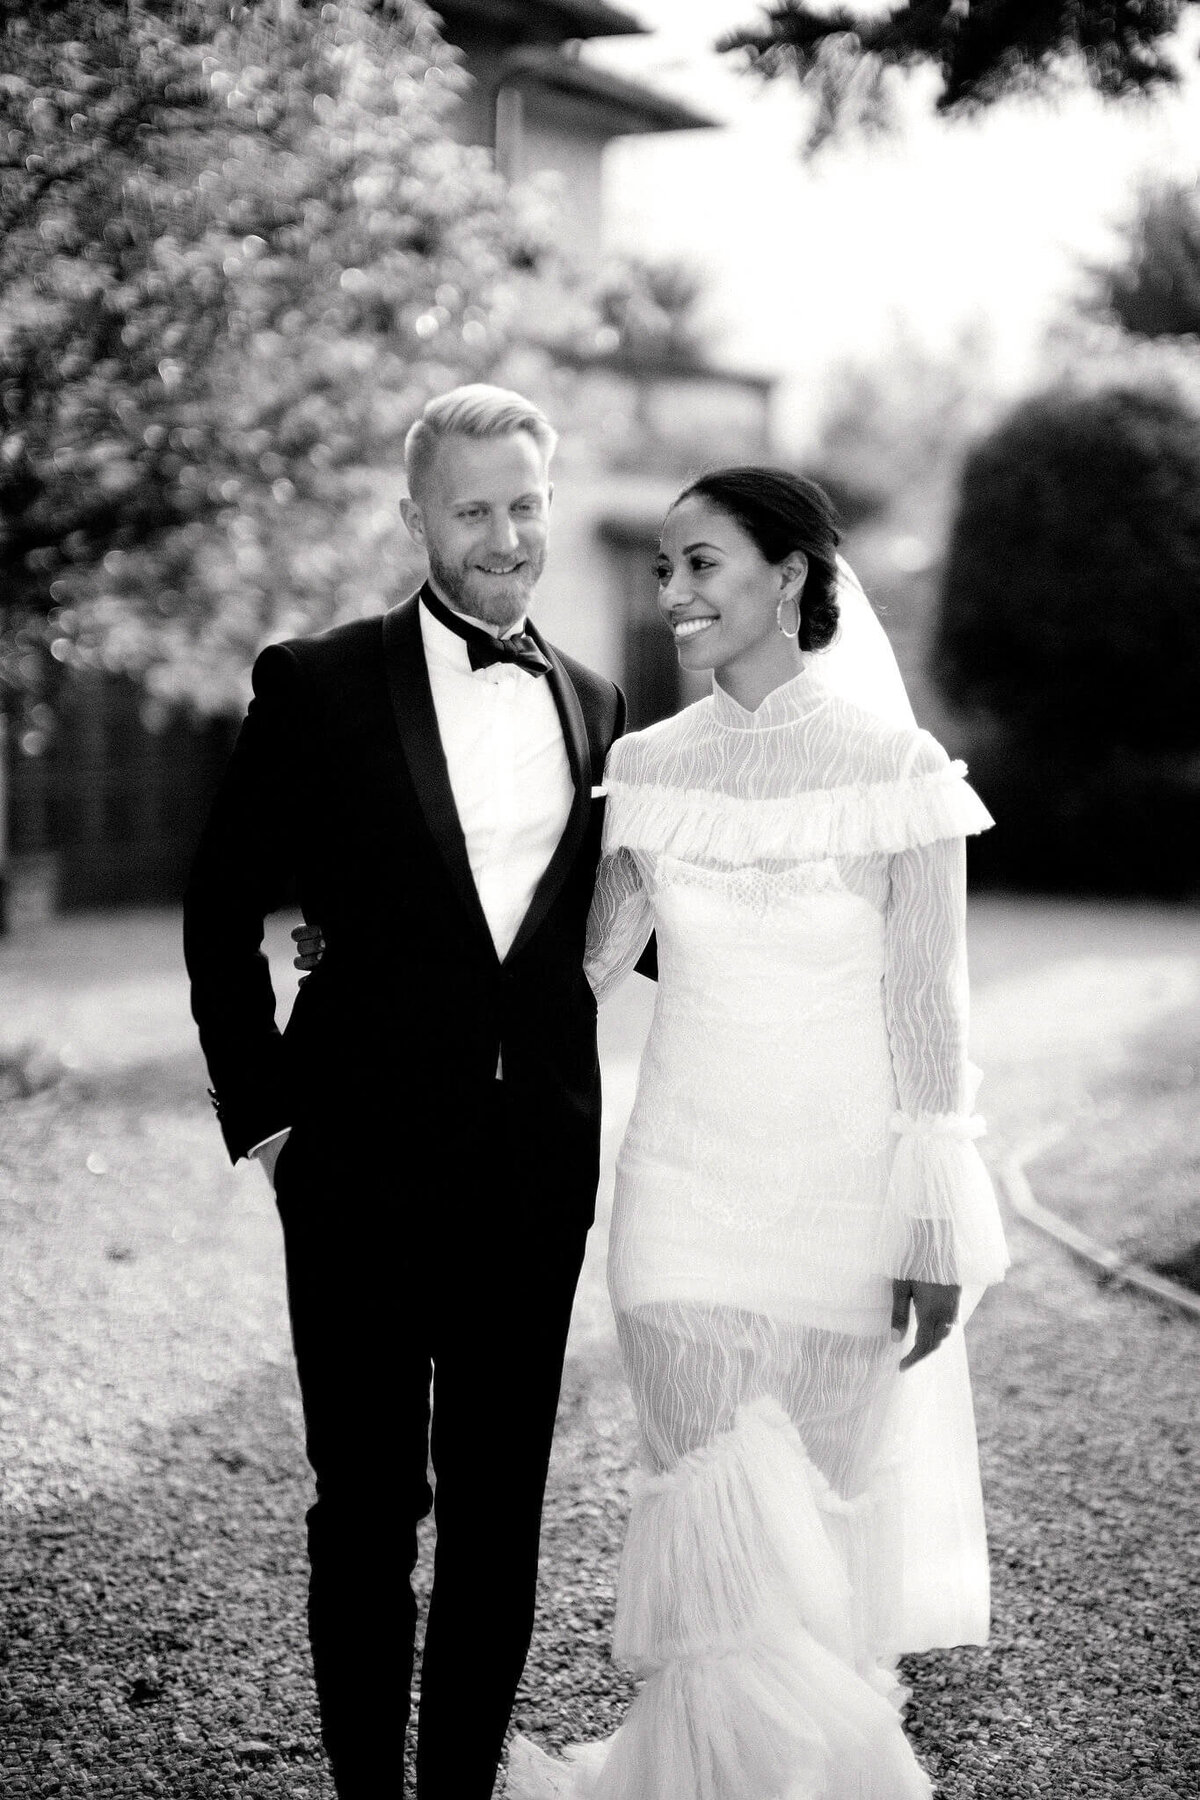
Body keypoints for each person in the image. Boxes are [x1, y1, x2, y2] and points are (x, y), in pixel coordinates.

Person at [506, 468, 1011, 1799]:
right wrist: (388, 968)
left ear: (788, 576)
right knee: (705, 1518)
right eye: (664, 568)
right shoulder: (648, 767)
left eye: (701, 565)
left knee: (816, 1541)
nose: (672, 594)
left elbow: (922, 1013)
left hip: (844, 1198)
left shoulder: (899, 773)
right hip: (680, 1187)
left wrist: (934, 1215)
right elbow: (579, 973)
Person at [182, 385, 626, 1800]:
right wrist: (268, 1117)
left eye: (524, 504)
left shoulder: (598, 704)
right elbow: (219, 908)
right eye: (473, 509)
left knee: (503, 1521)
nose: (505, 535)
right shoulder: (316, 684)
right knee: (366, 1512)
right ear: (417, 519)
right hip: (357, 1170)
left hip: (535, 1172)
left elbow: (604, 929)